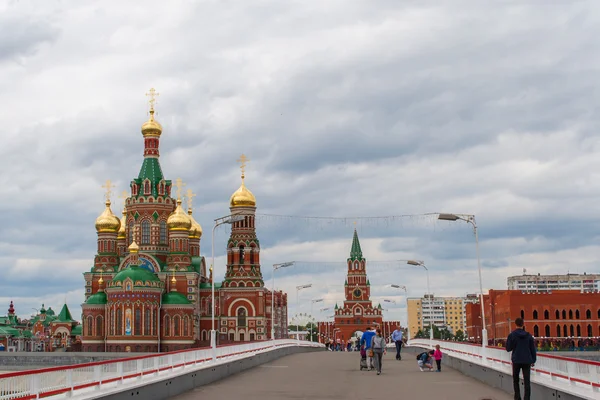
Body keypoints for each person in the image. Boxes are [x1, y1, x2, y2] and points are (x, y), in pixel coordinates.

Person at [505, 317, 536, 400]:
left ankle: (517, 397)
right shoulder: (529, 336)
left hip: (516, 360)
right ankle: (527, 398)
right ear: (523, 324)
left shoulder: (512, 335)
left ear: (515, 324)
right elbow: (532, 349)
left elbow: (508, 348)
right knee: (527, 382)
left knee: (516, 380)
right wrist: (533, 360)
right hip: (527, 360)